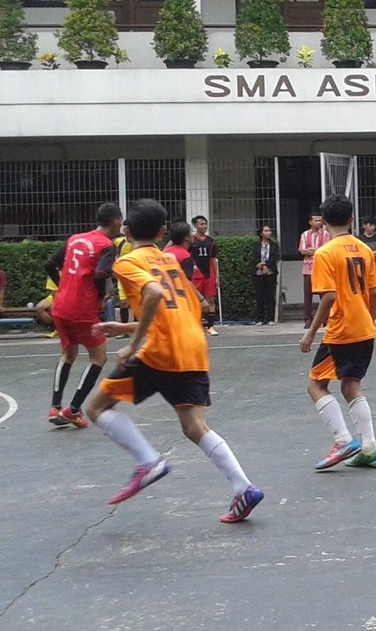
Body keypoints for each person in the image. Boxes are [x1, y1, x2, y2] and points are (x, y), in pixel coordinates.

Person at [86, 198, 264, 522]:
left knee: (97, 408)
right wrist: (125, 327)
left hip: (161, 350)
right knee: (194, 426)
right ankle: (244, 488)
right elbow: (177, 312)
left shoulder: (127, 262)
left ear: (126, 231)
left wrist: (132, 344)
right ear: (162, 232)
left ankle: (148, 462)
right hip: (192, 345)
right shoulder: (169, 260)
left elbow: (154, 295)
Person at [298, 193, 376, 470]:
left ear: (323, 222)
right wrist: (368, 319)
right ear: (351, 219)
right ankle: (370, 448)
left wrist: (311, 332)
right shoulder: (364, 250)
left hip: (341, 329)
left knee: (316, 385)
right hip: (363, 327)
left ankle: (343, 440)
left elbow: (329, 297)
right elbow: (373, 292)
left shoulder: (325, 253)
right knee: (350, 383)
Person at [45, 202, 122, 429]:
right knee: (98, 358)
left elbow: (49, 264)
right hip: (83, 309)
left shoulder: (75, 239)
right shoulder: (106, 245)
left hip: (61, 306)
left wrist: (63, 286)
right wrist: (100, 297)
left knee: (68, 355)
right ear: (116, 221)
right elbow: (100, 275)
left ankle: (55, 406)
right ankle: (73, 410)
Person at [299, 211, 331, 326]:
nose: (318, 223)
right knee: (308, 296)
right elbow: (302, 250)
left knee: (324, 295)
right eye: (316, 220)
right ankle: (308, 320)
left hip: (322, 268)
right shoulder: (304, 235)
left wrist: (311, 250)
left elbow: (326, 249)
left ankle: (325, 319)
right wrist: (318, 250)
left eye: (320, 221)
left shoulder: (326, 234)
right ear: (310, 222)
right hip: (308, 269)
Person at [190, 215, 219, 334]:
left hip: (209, 273)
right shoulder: (191, 240)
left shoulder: (211, 241)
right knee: (196, 300)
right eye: (201, 224)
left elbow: (213, 259)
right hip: (196, 274)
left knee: (210, 299)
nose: (204, 226)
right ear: (195, 225)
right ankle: (197, 325)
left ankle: (210, 326)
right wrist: (191, 266)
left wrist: (216, 276)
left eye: (205, 224)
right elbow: (186, 256)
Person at [356, 217, 376, 325]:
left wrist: (366, 253)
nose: (372, 227)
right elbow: (358, 254)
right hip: (362, 270)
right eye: (370, 225)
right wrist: (374, 253)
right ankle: (365, 318)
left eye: (374, 225)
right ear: (364, 226)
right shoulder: (359, 239)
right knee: (363, 294)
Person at [251, 224, 280, 325]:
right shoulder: (256, 245)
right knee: (260, 295)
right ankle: (260, 318)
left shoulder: (274, 245)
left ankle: (270, 318)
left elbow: (274, 257)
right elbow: (254, 257)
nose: (269, 233)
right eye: (266, 231)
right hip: (258, 272)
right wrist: (261, 266)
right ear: (261, 233)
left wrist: (266, 265)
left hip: (270, 271)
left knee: (270, 295)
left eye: (269, 231)